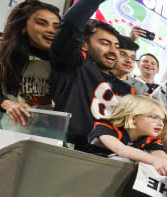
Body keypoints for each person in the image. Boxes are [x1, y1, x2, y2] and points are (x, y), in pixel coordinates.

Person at [49, 0, 135, 150]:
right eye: (104, 43)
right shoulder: (75, 66)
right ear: (83, 44)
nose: (113, 51)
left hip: (111, 158)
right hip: (68, 151)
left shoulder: (128, 90)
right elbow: (71, 25)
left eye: (116, 46)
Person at [84, 94, 167, 176]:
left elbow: (164, 158)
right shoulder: (106, 127)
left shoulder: (150, 139)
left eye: (162, 120)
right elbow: (121, 150)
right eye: (154, 117)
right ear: (133, 117)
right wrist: (154, 161)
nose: (161, 124)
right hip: (88, 171)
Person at [0, 0, 60, 126]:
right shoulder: (1, 49)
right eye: (42, 23)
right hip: (8, 130)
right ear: (23, 27)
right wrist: (7, 103)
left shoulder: (63, 58)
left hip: (48, 132)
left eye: (57, 27)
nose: (51, 30)